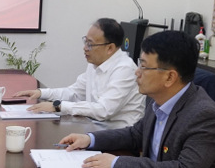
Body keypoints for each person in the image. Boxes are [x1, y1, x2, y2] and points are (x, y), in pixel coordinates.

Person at [58, 30, 215, 168]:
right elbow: (135, 134)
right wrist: (90, 139)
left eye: (143, 66)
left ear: (170, 77)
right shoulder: (157, 99)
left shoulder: (204, 116)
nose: (137, 72)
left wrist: (116, 163)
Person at [14, 18, 145, 124]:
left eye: (90, 44)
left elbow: (104, 110)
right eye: (85, 42)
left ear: (110, 48)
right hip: (95, 128)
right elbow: (75, 93)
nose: (85, 48)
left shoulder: (125, 69)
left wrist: (57, 106)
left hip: (120, 136)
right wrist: (40, 93)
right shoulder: (95, 64)